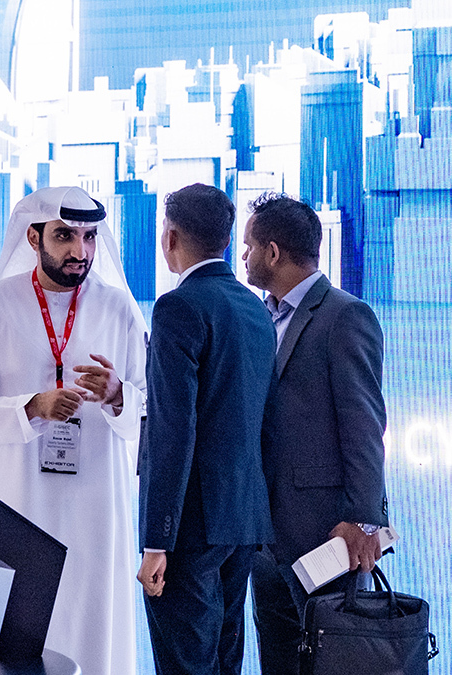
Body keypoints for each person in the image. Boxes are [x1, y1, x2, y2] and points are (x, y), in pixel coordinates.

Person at [0, 186, 147, 675]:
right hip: (14, 500)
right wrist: (32, 406)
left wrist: (117, 394)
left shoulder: (118, 308)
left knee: (91, 624)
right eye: (65, 236)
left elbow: (149, 411)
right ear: (33, 238)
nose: (80, 251)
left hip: (96, 509)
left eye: (89, 237)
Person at [239, 192, 389, 674]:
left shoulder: (345, 315)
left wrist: (364, 520)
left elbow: (365, 426)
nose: (243, 256)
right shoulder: (259, 315)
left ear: (273, 252)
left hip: (328, 537)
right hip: (265, 540)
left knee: (333, 665)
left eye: (249, 247)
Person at [137, 183, 276, 675]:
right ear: (227, 239)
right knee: (224, 660)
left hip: (189, 525)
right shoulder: (255, 307)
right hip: (243, 518)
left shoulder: (177, 306)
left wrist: (157, 541)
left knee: (186, 664)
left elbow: (173, 431)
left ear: (170, 237)